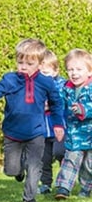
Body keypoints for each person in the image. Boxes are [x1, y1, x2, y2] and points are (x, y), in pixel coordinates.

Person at [0, 38, 65, 202]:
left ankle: (30, 199)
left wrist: (58, 125)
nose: (23, 66)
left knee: (35, 166)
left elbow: (56, 104)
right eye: (20, 62)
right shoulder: (9, 80)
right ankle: (18, 170)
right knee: (11, 169)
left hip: (36, 132)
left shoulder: (46, 82)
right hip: (12, 132)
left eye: (29, 63)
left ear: (40, 64)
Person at [55, 48, 92, 200]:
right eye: (70, 69)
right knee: (70, 160)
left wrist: (84, 109)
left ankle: (86, 188)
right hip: (74, 133)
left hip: (90, 134)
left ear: (89, 72)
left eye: (78, 69)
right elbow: (58, 102)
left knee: (89, 166)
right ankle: (63, 188)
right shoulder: (66, 89)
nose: (74, 73)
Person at [37, 50, 66, 194]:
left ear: (55, 71)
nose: (43, 77)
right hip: (43, 129)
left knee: (60, 152)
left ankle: (64, 181)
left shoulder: (61, 85)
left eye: (46, 73)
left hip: (58, 127)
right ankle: (46, 184)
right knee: (44, 158)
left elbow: (61, 99)